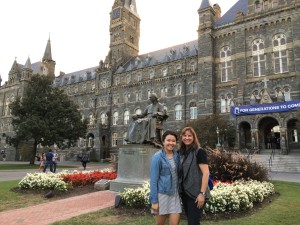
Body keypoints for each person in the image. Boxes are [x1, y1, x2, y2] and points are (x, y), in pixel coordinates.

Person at [179, 127, 210, 225]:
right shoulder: (181, 152)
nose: (187, 138)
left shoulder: (199, 151)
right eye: (184, 135)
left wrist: (202, 194)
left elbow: (206, 173)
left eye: (189, 135)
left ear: (193, 137)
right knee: (192, 221)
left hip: (197, 194)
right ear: (181, 137)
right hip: (185, 193)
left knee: (193, 222)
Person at [150, 130, 181, 225]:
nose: (171, 143)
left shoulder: (177, 156)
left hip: (175, 195)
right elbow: (153, 181)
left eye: (173, 141)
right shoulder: (157, 157)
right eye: (168, 140)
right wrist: (154, 201)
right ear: (163, 142)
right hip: (162, 195)